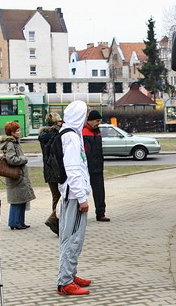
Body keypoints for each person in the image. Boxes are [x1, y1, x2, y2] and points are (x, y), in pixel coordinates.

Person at [57, 100, 92, 295]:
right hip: (73, 196)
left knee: (69, 236)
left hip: (70, 194)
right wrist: (81, 197)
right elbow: (73, 169)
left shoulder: (68, 133)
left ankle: (70, 273)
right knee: (73, 238)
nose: (87, 117)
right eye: (85, 113)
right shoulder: (71, 137)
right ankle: (66, 281)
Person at [0, 121, 36, 230]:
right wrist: (23, 159)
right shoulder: (11, 144)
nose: (19, 132)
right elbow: (11, 159)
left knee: (21, 199)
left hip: (19, 176)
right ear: (11, 132)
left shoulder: (15, 143)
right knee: (16, 200)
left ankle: (20, 222)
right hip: (16, 176)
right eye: (17, 130)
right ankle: (14, 222)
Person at [38, 112, 64, 235]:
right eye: (60, 120)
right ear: (55, 122)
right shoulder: (56, 134)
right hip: (56, 169)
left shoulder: (44, 135)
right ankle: (54, 220)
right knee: (61, 197)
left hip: (48, 170)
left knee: (56, 197)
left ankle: (56, 221)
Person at [83, 110, 109, 222]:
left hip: (97, 166)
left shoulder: (97, 132)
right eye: (97, 120)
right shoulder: (83, 132)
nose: (98, 123)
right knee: (82, 191)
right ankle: (80, 213)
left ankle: (101, 213)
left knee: (99, 191)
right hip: (86, 167)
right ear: (90, 120)